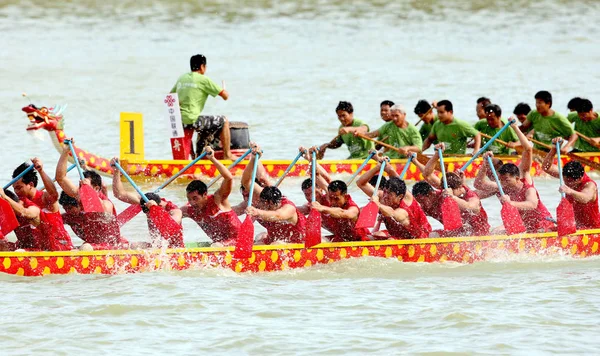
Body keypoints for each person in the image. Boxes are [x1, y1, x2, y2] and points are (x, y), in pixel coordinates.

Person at [474, 121, 555, 233]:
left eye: (491, 171)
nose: (490, 174)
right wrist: (484, 164)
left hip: (542, 223)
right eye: (489, 172)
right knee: (495, 232)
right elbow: (478, 186)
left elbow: (532, 204)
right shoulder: (500, 187)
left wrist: (515, 127)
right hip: (522, 225)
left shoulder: (524, 179)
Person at [56, 141, 124, 250]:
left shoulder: (106, 204)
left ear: (96, 189)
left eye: (86, 185)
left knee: (85, 247)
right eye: (80, 185)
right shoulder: (79, 199)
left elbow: (103, 189)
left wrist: (115, 171)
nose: (82, 187)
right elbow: (60, 178)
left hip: (110, 247)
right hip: (92, 246)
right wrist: (65, 151)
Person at [412, 145, 489, 236]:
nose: (422, 205)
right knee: (428, 235)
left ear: (460, 188)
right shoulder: (442, 192)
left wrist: (452, 197)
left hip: (478, 234)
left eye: (422, 201)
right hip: (455, 233)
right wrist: (436, 154)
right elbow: (427, 175)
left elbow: (473, 208)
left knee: (435, 235)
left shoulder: (470, 196)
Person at [170, 54, 234, 160]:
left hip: (179, 120)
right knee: (224, 121)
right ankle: (227, 155)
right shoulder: (204, 80)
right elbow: (225, 96)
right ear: (202, 67)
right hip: (192, 120)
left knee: (204, 124)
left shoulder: (182, 78)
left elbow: (170, 96)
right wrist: (224, 90)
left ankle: (198, 157)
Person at [111, 158, 184, 248]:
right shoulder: (145, 201)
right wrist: (116, 171)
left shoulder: (175, 211)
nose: (150, 218)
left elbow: (171, 227)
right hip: (156, 247)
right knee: (126, 246)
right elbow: (119, 194)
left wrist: (156, 210)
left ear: (160, 206)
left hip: (174, 249)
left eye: (150, 214)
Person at [241, 144, 306, 244]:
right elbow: (246, 182)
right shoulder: (265, 194)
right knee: (258, 240)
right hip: (273, 240)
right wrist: (253, 159)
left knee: (278, 243)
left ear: (270, 203)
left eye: (262, 203)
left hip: (297, 244)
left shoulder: (289, 208)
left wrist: (257, 212)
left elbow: (278, 215)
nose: (260, 204)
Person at [180, 147, 241, 246]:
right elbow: (171, 216)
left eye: (195, 198)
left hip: (239, 242)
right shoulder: (190, 210)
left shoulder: (218, 199)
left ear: (205, 195)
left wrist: (212, 158)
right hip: (219, 244)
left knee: (216, 245)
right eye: (189, 199)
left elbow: (228, 178)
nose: (192, 203)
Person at [357, 157, 431, 239]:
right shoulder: (383, 196)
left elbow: (392, 213)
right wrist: (378, 167)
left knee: (390, 239)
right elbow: (361, 183)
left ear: (400, 197)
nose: (385, 196)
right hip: (398, 235)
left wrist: (377, 204)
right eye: (385, 192)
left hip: (420, 238)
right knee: (369, 237)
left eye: (389, 194)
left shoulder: (405, 203)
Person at [11, 160, 74, 250]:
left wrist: (41, 171)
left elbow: (54, 194)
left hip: (60, 247)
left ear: (31, 184)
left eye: (19, 188)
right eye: (14, 189)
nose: (16, 192)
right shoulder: (19, 203)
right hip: (40, 249)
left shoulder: (44, 198)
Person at [542, 138, 600, 229]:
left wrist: (570, 191)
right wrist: (553, 150)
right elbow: (546, 168)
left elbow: (585, 198)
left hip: (591, 229)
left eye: (570, 182)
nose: (567, 183)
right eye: (565, 180)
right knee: (545, 230)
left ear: (580, 178)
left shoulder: (589, 185)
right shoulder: (567, 175)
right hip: (575, 227)